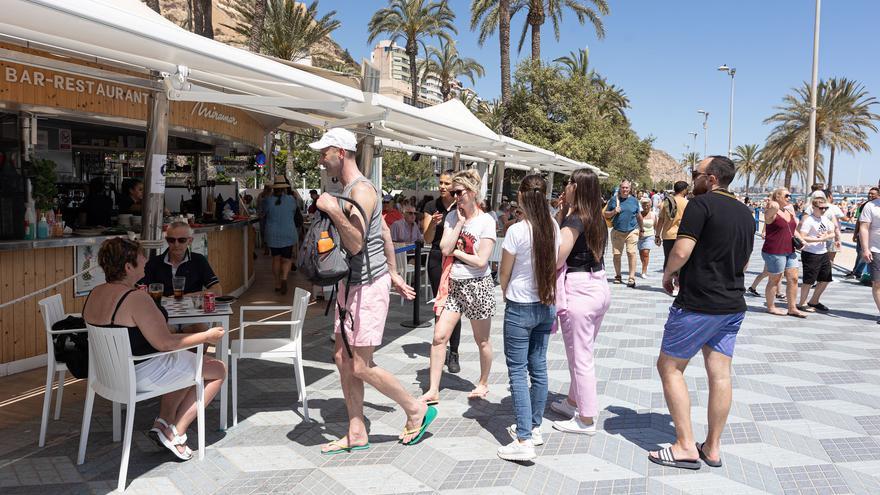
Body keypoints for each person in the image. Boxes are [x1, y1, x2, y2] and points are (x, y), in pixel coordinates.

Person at [309, 128, 434, 452]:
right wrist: (393, 271)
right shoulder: (353, 189)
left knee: (361, 365)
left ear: (341, 152)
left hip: (365, 286)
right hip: (351, 286)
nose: (321, 158)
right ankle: (356, 431)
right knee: (341, 357)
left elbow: (357, 242)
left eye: (325, 152)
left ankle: (415, 408)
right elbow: (384, 233)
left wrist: (333, 210)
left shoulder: (361, 190)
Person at [649, 156, 754, 470]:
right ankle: (712, 447)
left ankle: (684, 446)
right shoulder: (746, 213)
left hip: (698, 304)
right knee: (720, 375)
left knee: (669, 367)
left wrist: (668, 275)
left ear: (711, 178)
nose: (691, 178)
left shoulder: (700, 204)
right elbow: (745, 261)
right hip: (732, 305)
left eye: (695, 173)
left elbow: (682, 249)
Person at [83, 238, 226, 460]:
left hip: (108, 375)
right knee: (217, 370)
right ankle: (176, 432)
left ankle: (162, 422)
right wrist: (206, 336)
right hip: (139, 374)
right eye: (141, 258)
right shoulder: (136, 299)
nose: (146, 261)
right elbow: (166, 343)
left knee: (186, 361)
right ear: (128, 267)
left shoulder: (95, 293)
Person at [496, 175, 559, 462]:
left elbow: (504, 273)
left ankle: (523, 438)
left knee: (518, 372)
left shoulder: (517, 231)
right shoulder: (553, 227)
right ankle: (533, 428)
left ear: (522, 195)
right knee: (539, 367)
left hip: (520, 305)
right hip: (546, 304)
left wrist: (507, 293)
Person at [420, 169, 496, 404]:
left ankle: (483, 382)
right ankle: (433, 389)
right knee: (439, 336)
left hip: (478, 286)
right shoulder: (453, 217)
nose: (455, 196)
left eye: (459, 192)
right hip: (454, 284)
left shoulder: (486, 221)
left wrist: (457, 252)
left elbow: (482, 261)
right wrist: (459, 222)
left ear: (472, 193)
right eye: (453, 192)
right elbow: (443, 248)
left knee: (481, 340)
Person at [551, 169, 611, 436]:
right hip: (598, 285)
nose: (566, 186)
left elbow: (557, 256)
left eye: (569, 182)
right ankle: (574, 401)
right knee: (581, 350)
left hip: (579, 290)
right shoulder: (594, 217)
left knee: (580, 357)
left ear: (577, 186)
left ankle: (586, 418)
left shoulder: (575, 220)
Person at [422, 171, 462, 374]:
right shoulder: (431, 206)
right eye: (441, 183)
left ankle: (454, 352)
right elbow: (427, 239)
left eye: (447, 183)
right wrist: (433, 224)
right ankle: (441, 347)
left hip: (456, 258)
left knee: (455, 305)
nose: (443, 186)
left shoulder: (461, 205)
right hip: (437, 257)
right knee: (440, 306)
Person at [759, 189, 806, 318]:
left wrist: (801, 239)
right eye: (787, 195)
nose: (789, 198)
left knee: (794, 278)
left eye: (790, 195)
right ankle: (771, 307)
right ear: (778, 196)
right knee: (775, 279)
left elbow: (792, 230)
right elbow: (768, 216)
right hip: (774, 250)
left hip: (790, 250)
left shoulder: (789, 212)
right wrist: (773, 205)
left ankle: (792, 308)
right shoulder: (773, 211)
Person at [797, 196, 836, 312]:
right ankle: (802, 303)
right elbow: (802, 237)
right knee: (808, 280)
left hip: (823, 253)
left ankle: (814, 300)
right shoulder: (809, 220)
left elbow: (832, 233)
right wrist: (818, 240)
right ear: (814, 207)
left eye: (825, 208)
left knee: (826, 279)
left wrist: (825, 237)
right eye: (821, 208)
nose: (823, 210)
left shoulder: (824, 219)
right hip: (811, 253)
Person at [263, 175, 300, 295]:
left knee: (276, 258)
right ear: (284, 188)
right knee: (287, 259)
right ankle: (284, 278)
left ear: (274, 188)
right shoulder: (291, 199)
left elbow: (263, 213)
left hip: (273, 234)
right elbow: (294, 211)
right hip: (288, 233)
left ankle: (277, 283)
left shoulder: (268, 200)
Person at [604, 180, 643, 288]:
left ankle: (631, 278)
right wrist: (613, 211)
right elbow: (606, 214)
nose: (625, 190)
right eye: (623, 188)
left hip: (632, 230)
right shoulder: (613, 200)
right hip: (617, 231)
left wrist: (642, 229)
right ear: (620, 188)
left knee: (631, 253)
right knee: (617, 255)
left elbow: (639, 215)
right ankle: (618, 276)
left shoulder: (634, 201)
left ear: (630, 189)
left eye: (627, 188)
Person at [858, 184, 880, 324]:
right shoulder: (870, 206)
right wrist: (865, 249)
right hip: (876, 250)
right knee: (877, 283)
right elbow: (864, 228)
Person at [654, 181, 689, 269]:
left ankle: (667, 280)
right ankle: (679, 281)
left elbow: (660, 221)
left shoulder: (666, 202)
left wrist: (657, 236)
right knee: (681, 261)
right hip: (682, 235)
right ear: (684, 190)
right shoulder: (687, 203)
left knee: (668, 259)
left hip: (668, 236)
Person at [848, 187, 880, 279]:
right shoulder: (866, 205)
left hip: (874, 241)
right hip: (864, 237)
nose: (870, 195)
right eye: (869, 193)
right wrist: (855, 234)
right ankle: (858, 272)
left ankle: (860, 273)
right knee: (861, 254)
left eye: (873, 194)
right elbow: (859, 221)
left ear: (878, 194)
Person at [823, 190, 844, 264]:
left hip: (820, 235)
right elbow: (843, 218)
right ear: (829, 196)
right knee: (830, 259)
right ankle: (827, 274)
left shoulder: (816, 207)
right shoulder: (834, 207)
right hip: (833, 236)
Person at [637, 197, 655, 279]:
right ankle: (645, 265)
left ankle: (644, 271)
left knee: (646, 253)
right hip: (639, 236)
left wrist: (657, 236)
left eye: (647, 205)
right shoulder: (639, 214)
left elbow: (656, 225)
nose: (646, 206)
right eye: (644, 205)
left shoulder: (653, 215)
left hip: (649, 236)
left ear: (650, 205)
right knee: (641, 254)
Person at [257, 184, 273, 255]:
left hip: (267, 217)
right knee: (263, 233)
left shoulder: (271, 196)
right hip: (263, 217)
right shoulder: (261, 195)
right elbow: (258, 206)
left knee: (267, 233)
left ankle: (268, 249)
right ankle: (266, 249)